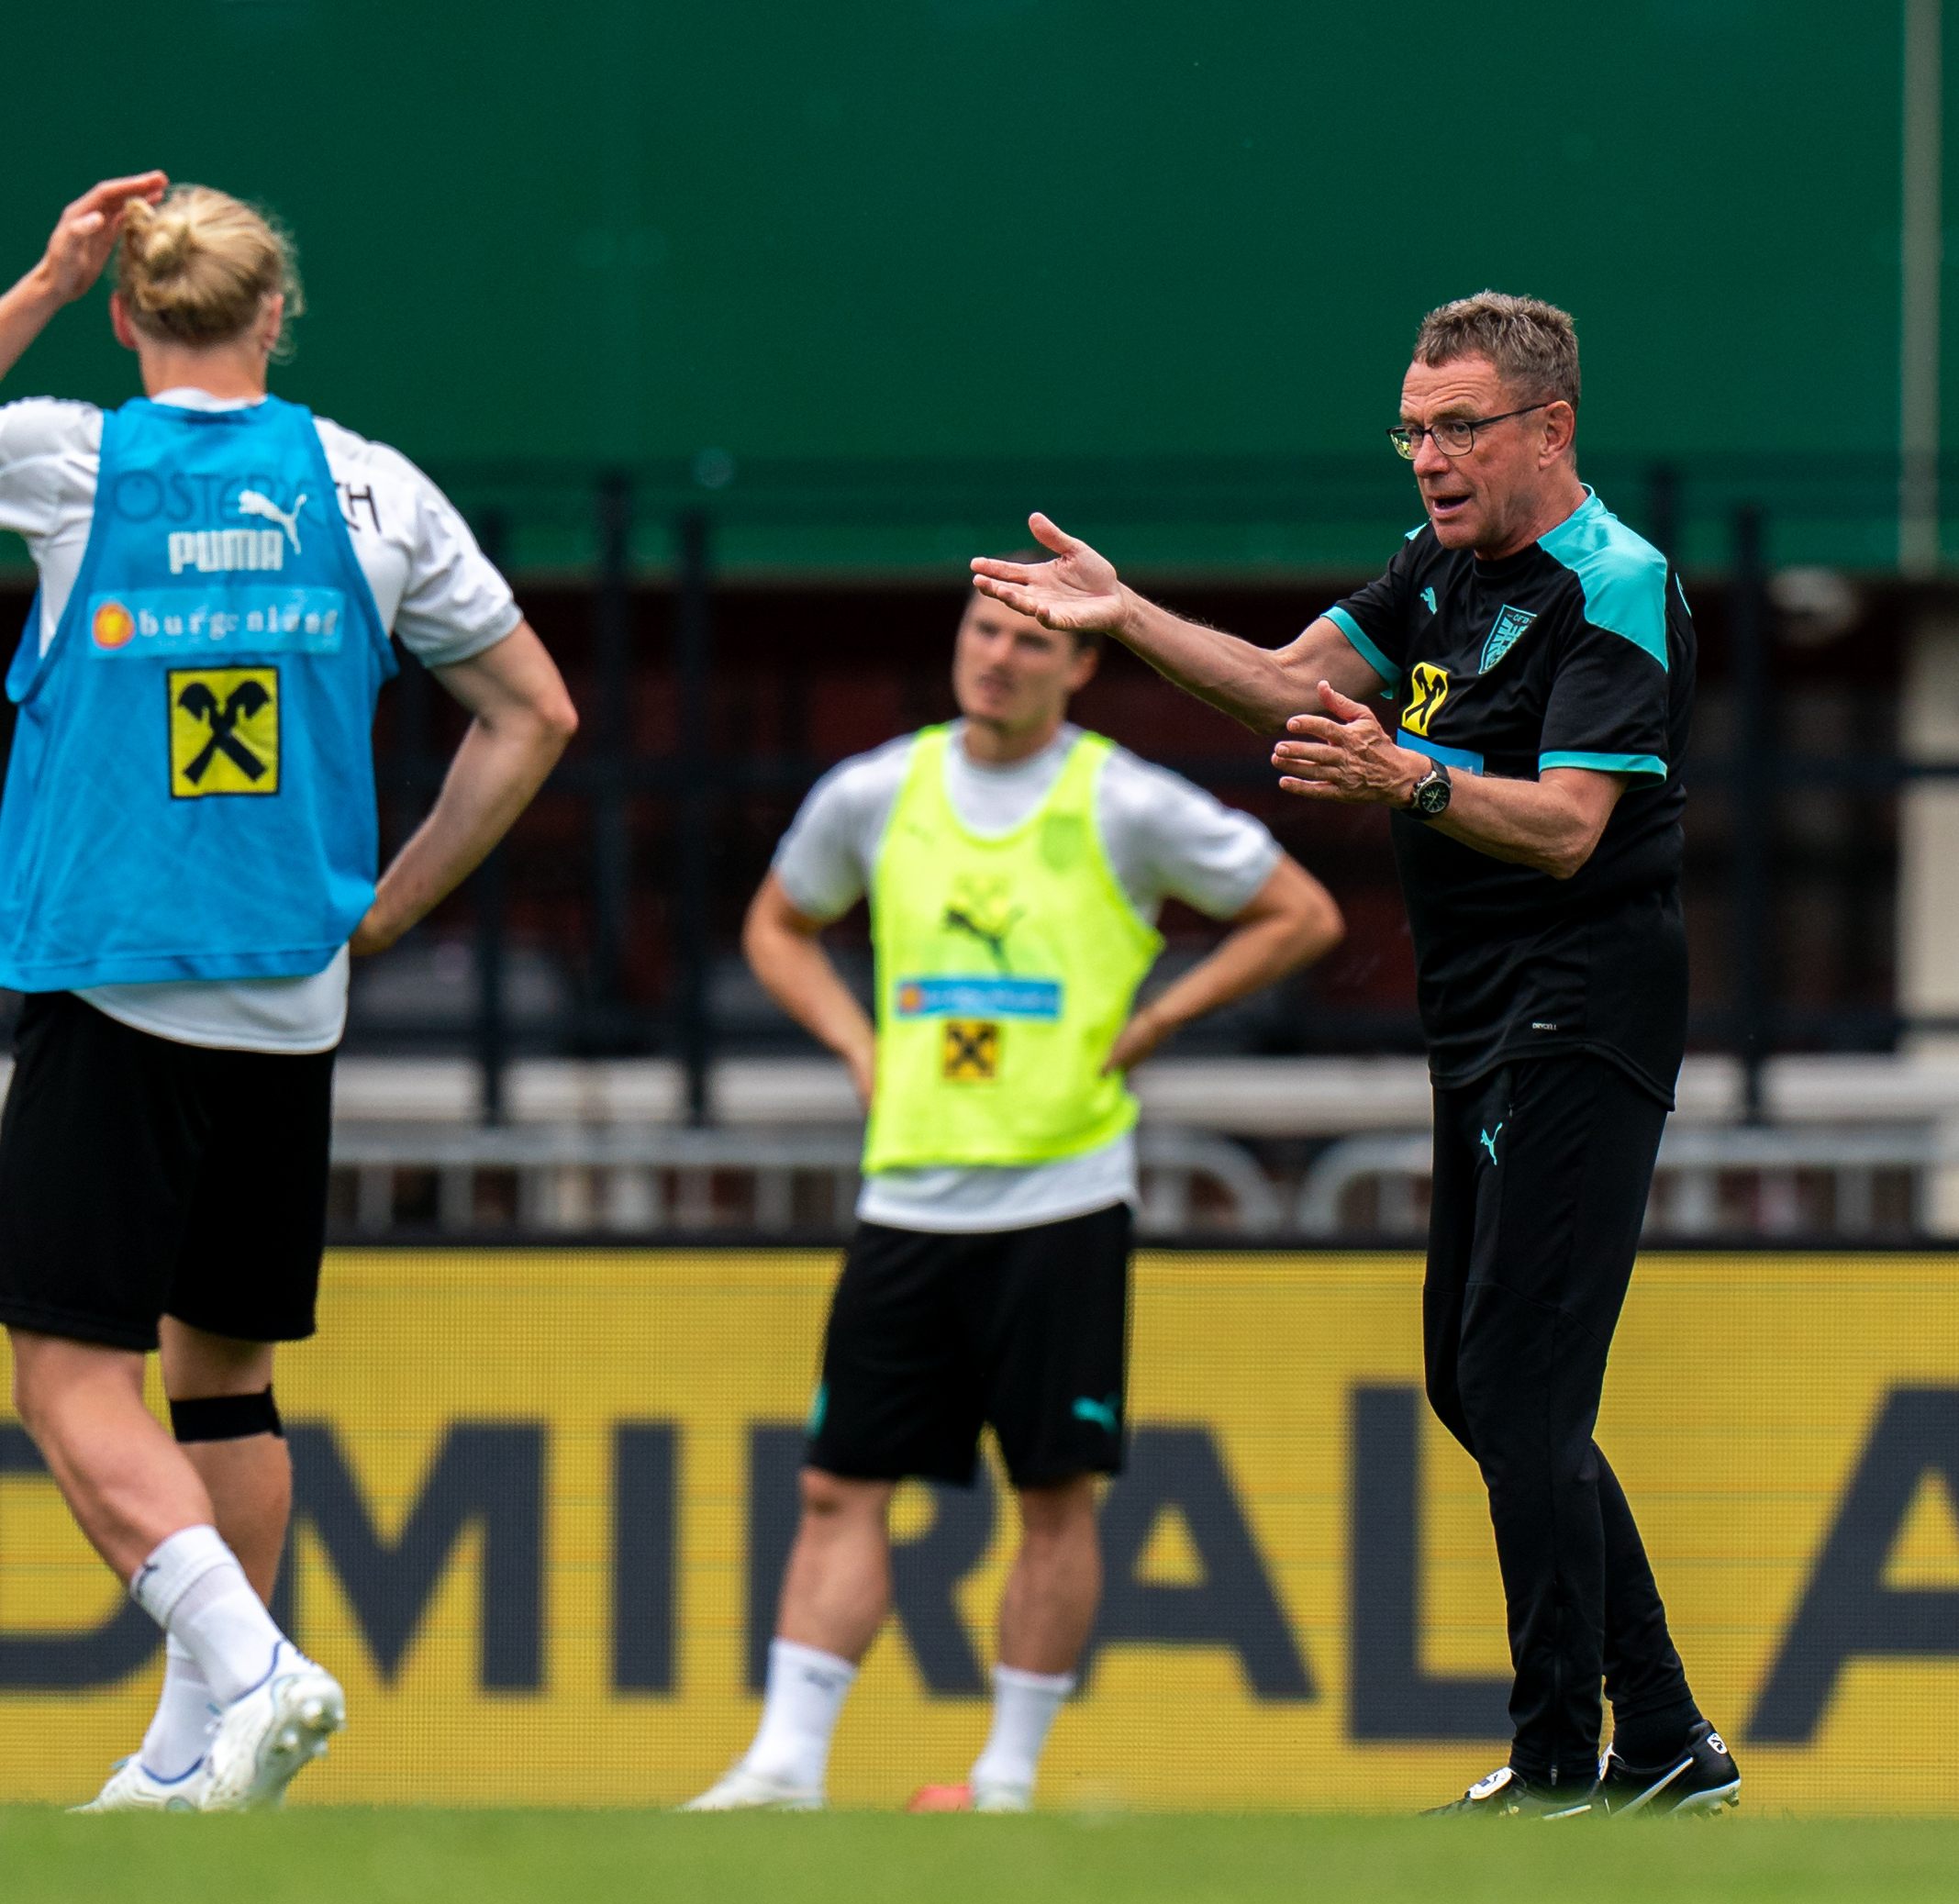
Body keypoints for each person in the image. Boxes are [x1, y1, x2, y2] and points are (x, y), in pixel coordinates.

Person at [972, 292, 1740, 1820]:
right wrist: (1126, 621)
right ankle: (1661, 1741)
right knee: (1482, 1390)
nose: (1430, 459)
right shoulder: (1442, 573)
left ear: (1550, 429)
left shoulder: (1615, 585)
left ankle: (1559, 1763)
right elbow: (1281, 679)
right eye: (1414, 427)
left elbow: (1572, 828)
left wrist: (1414, 776)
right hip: (1485, 1018)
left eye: (1460, 427)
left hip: (1581, 1007)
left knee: (1518, 1390)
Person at [0, 175, 577, 1811]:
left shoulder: (71, 458)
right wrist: (388, 911)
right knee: (225, 1380)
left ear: (129, 317)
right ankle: (195, 1758)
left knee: (66, 1372)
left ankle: (250, 1666)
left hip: (117, 982)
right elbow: (532, 716)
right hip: (292, 1000)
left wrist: (38, 280)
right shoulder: (373, 489)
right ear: (274, 318)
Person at [685, 585, 1341, 1811]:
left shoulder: (1125, 799)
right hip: (910, 1195)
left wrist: (1157, 1021)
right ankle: (785, 1764)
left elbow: (1300, 913)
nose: (999, 657)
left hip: (1062, 1194)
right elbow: (780, 924)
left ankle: (1004, 1778)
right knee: (839, 1484)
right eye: (986, 631)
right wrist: (854, 1043)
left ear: (1078, 669)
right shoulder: (877, 793)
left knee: (1051, 1496)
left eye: (1032, 640)